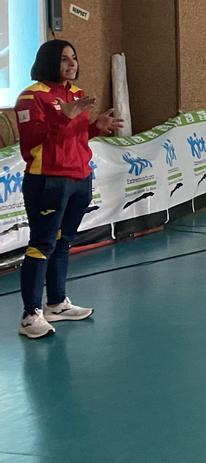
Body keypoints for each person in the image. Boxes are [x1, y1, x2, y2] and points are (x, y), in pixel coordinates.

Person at [15, 39, 123, 339]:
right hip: (47, 180)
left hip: (79, 178)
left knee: (64, 242)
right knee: (42, 243)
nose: (72, 64)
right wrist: (65, 117)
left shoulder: (76, 95)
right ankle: (30, 315)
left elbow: (74, 137)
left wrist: (95, 127)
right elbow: (33, 142)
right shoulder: (30, 97)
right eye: (64, 59)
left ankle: (56, 303)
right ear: (50, 61)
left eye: (74, 58)